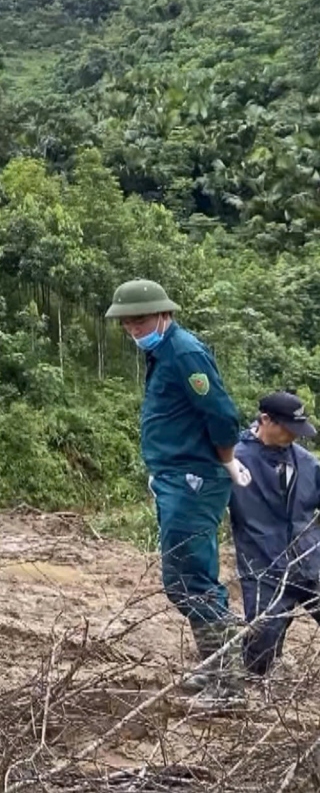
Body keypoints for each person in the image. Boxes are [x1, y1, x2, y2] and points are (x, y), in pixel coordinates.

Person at [106, 278, 249, 707]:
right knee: (183, 577)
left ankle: (227, 685)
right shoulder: (161, 351)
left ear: (163, 314)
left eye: (141, 321)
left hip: (194, 479)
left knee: (189, 579)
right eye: (128, 323)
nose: (134, 329)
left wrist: (226, 459)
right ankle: (218, 663)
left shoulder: (184, 351)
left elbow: (221, 414)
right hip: (176, 476)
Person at [230, 391, 320, 680]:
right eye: (288, 429)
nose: (294, 436)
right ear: (265, 420)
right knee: (262, 641)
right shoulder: (234, 459)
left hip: (310, 560)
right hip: (264, 566)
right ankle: (255, 685)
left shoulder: (306, 462)